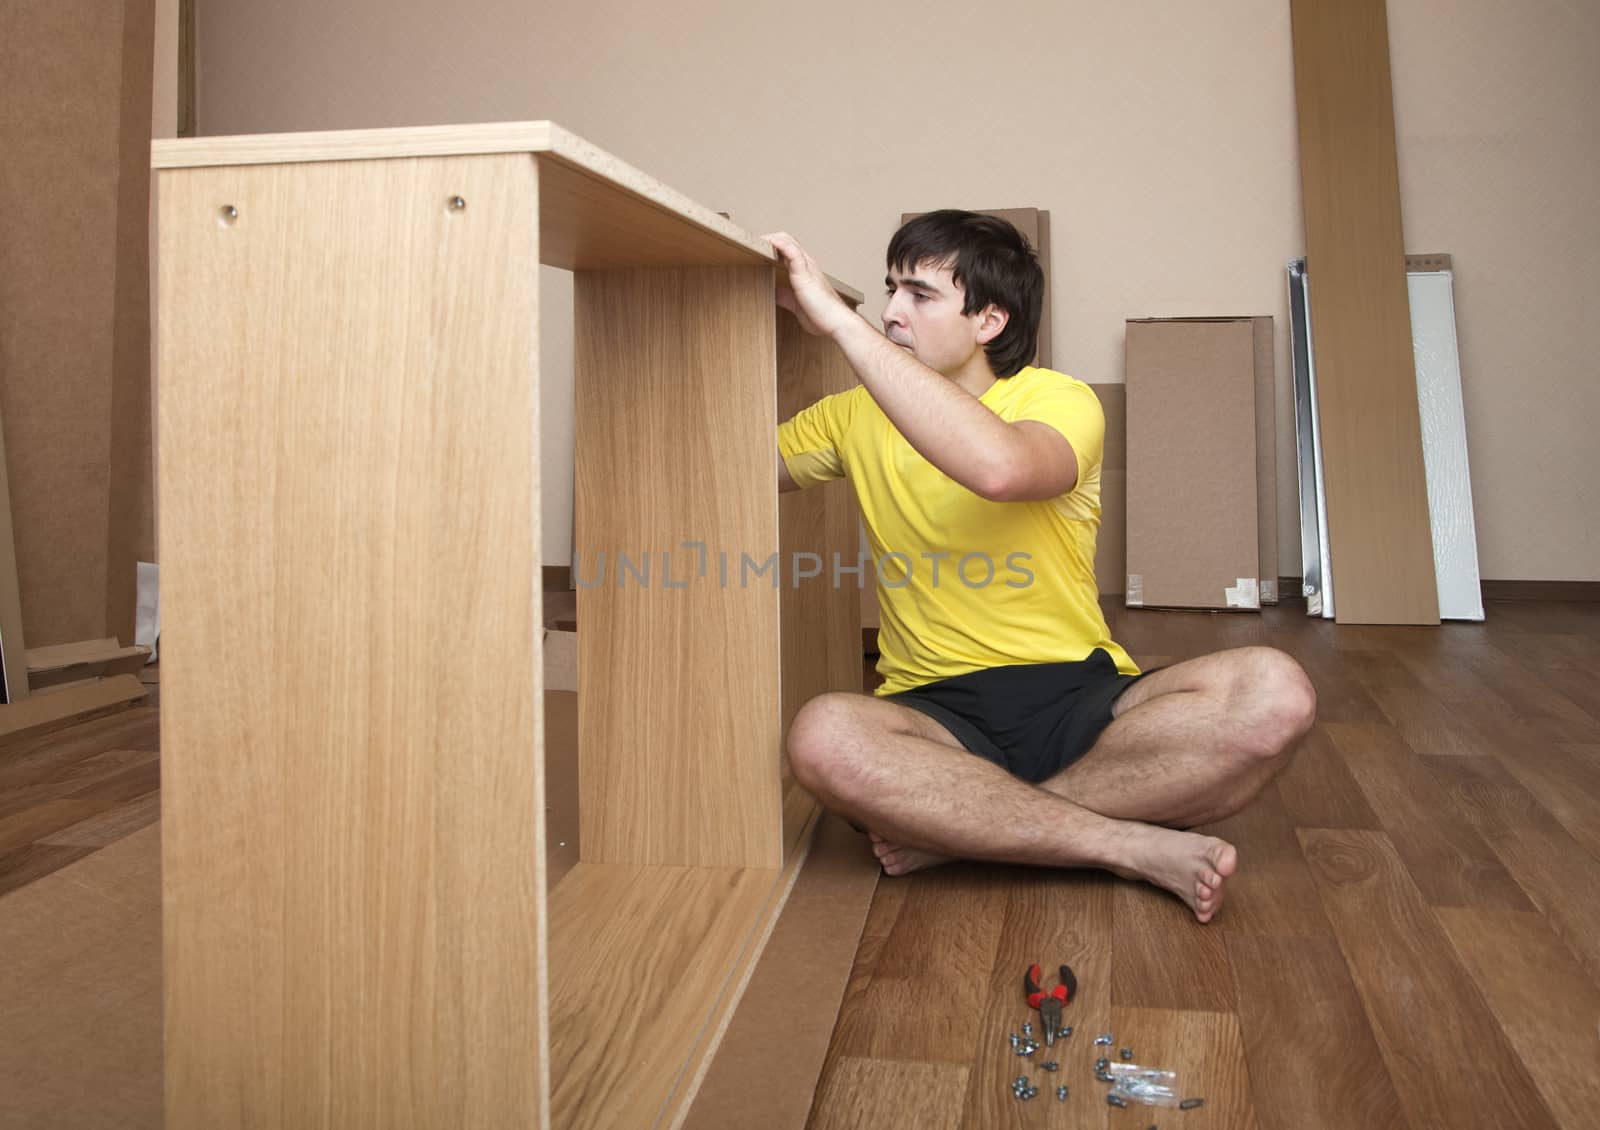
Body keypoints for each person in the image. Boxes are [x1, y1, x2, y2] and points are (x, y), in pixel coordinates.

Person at [767, 211, 1315, 924]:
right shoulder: (849, 417)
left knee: (1276, 693)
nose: (892, 313)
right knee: (822, 737)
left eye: (920, 295)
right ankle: (1118, 842)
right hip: (935, 711)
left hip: (1076, 696)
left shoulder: (1058, 400)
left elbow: (1000, 468)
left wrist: (843, 328)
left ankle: (968, 835)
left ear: (989, 319)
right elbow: (726, 467)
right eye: (889, 291)